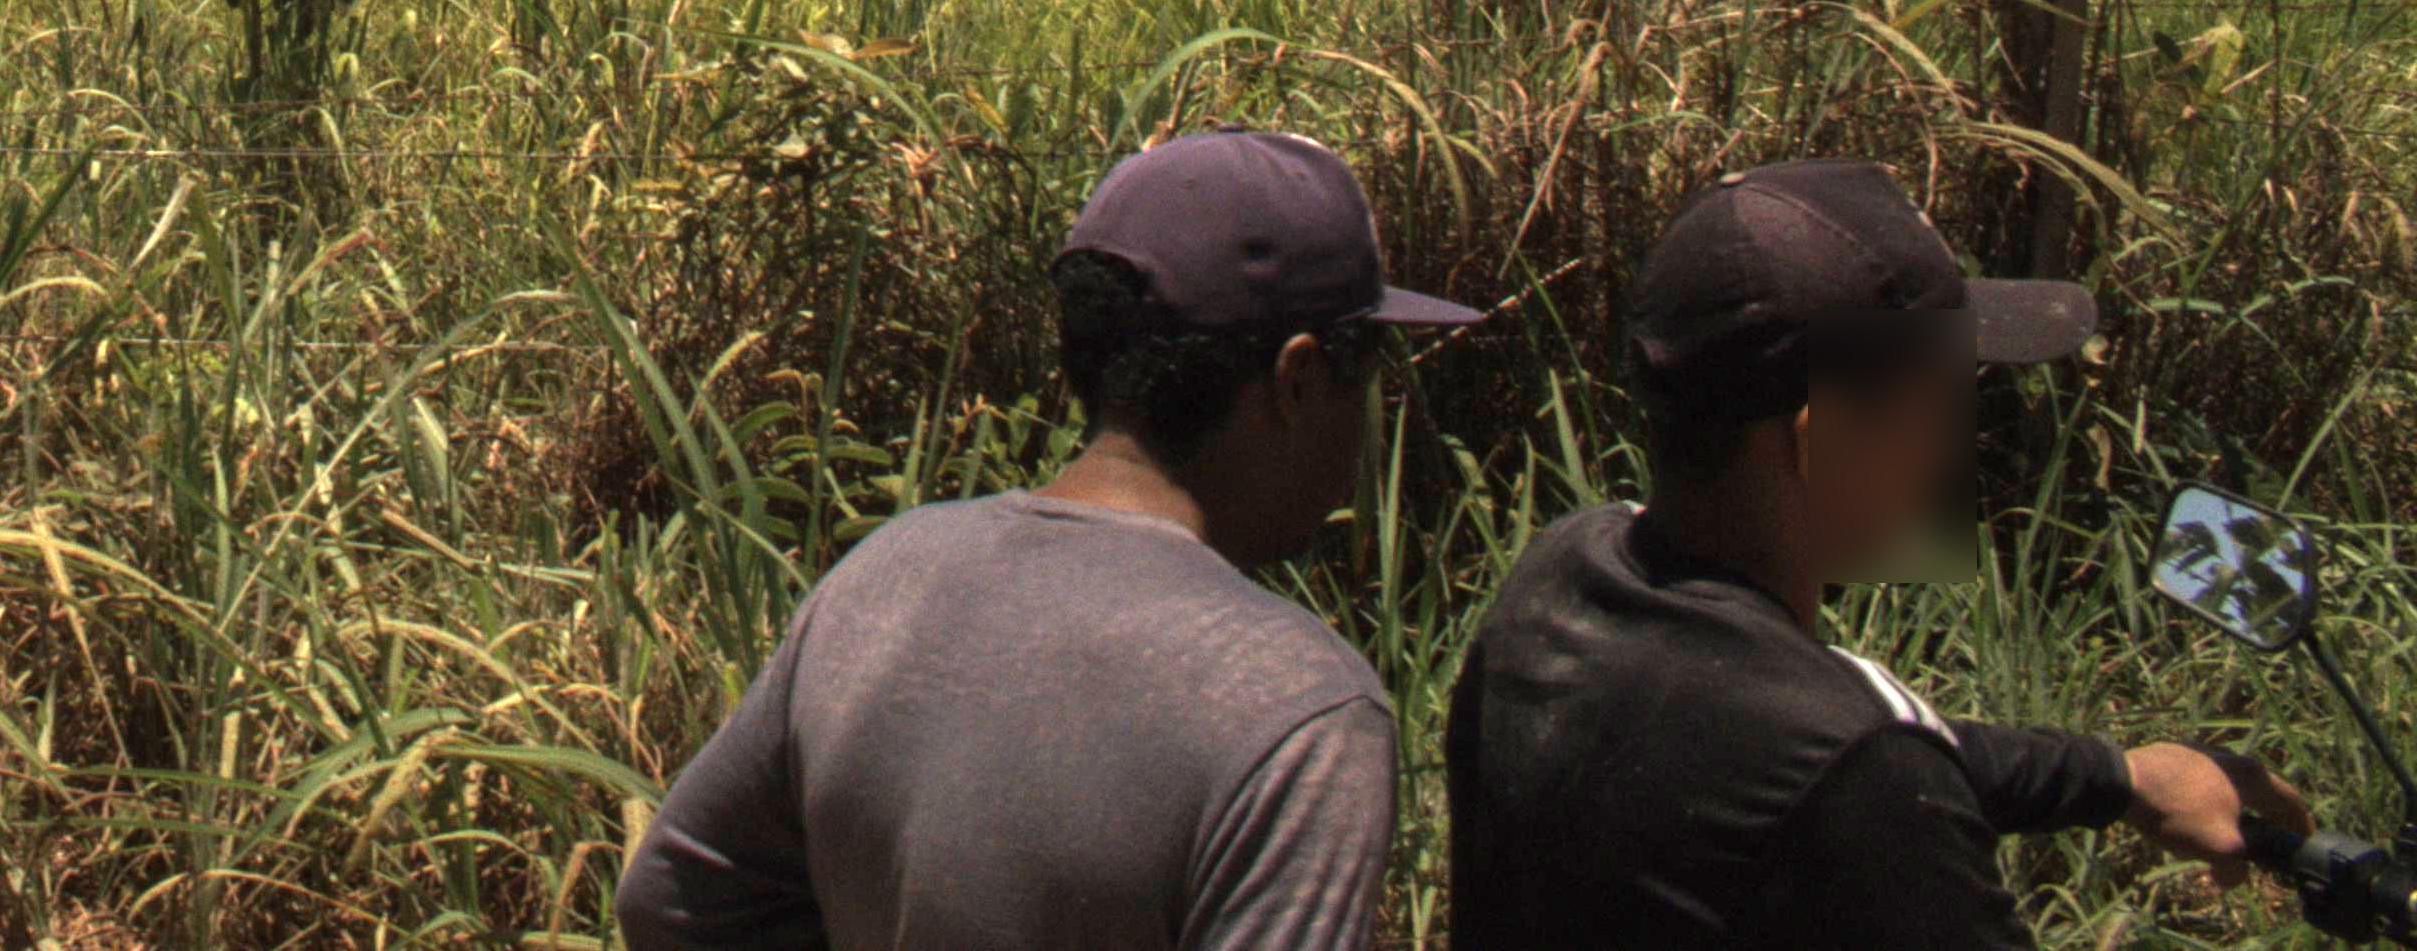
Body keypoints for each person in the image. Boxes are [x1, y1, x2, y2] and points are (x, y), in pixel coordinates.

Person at [617, 127, 1480, 951]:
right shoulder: (1296, 709)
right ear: (1297, 380)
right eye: (1370, 369)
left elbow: (674, 899)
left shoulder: (888, 575)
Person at [1445, 156, 2304, 948]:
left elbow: (1814, 747)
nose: (1955, 450)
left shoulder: (1561, 578)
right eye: (1945, 405)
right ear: (1822, 435)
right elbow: (1853, 761)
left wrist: (2120, 776)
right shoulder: (1858, 784)